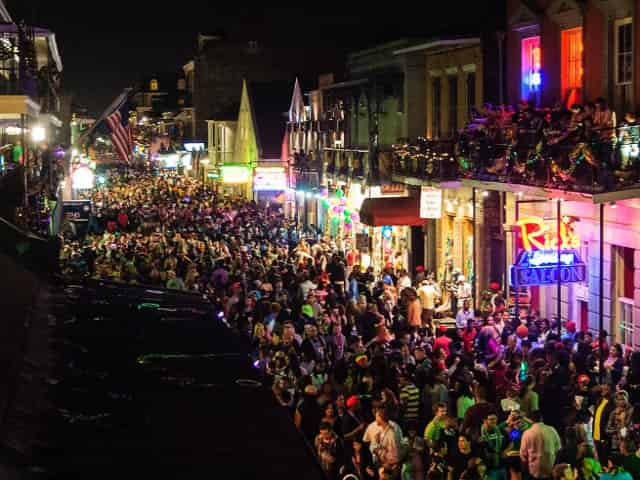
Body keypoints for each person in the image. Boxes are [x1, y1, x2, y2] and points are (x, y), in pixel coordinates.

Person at [519, 410, 561, 480]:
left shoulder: (527, 433)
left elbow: (523, 455)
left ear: (530, 420)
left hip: (534, 470)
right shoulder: (551, 430)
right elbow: (558, 449)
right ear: (541, 418)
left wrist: (524, 472)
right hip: (550, 468)